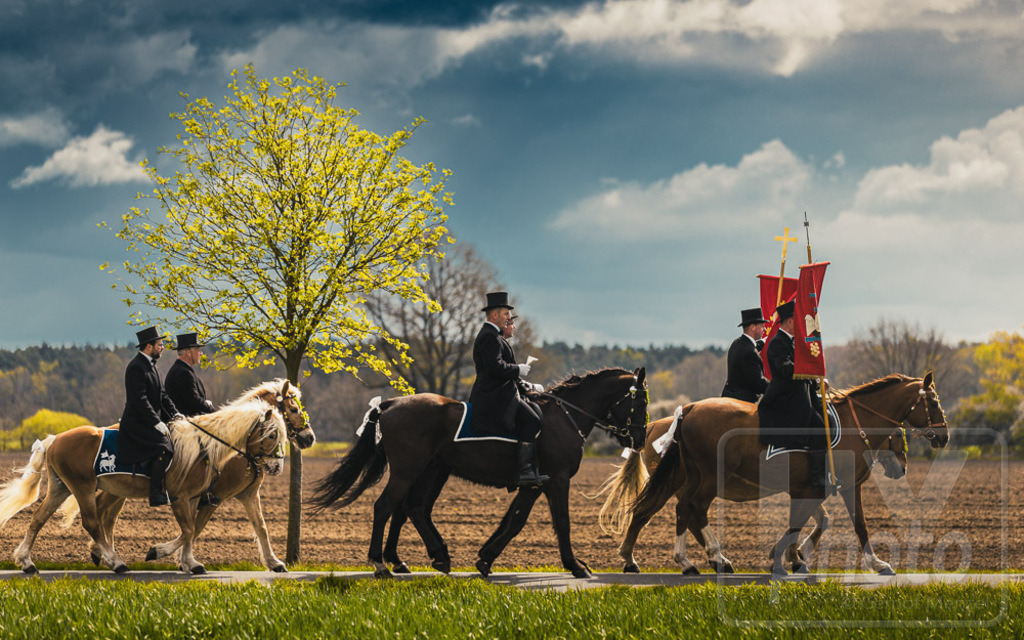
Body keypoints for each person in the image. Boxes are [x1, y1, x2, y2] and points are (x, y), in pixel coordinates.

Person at [468, 292, 548, 487]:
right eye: (506, 314)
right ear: (495, 315)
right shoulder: (489, 336)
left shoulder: (494, 336)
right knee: (533, 421)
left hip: (503, 392)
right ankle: (524, 470)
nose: (508, 318)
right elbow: (494, 367)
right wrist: (517, 369)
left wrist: (526, 385)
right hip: (495, 396)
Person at [757, 300, 834, 491]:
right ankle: (818, 479)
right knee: (818, 429)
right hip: (785, 400)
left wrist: (816, 381)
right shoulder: (777, 343)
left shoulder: (792, 343)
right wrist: (809, 370)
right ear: (790, 321)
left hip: (800, 397)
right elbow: (786, 371)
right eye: (797, 320)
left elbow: (801, 374)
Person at [118, 326, 181, 507]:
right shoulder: (136, 367)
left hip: (149, 422)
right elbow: (140, 399)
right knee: (165, 449)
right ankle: (155, 493)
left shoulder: (153, 367)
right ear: (148, 347)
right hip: (137, 424)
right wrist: (156, 422)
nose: (163, 348)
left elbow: (163, 397)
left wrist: (176, 414)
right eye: (160, 345)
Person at [721, 307, 769, 402]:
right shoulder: (750, 352)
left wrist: (764, 341)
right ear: (752, 327)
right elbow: (759, 384)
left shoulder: (737, 343)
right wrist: (779, 390)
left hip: (729, 396)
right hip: (743, 401)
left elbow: (753, 347)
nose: (765, 329)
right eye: (762, 326)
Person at [165, 332, 215, 417]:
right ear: (188, 352)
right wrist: (210, 407)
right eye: (198, 350)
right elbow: (194, 402)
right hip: (187, 426)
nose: (201, 353)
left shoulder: (182, 369)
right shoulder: (183, 373)